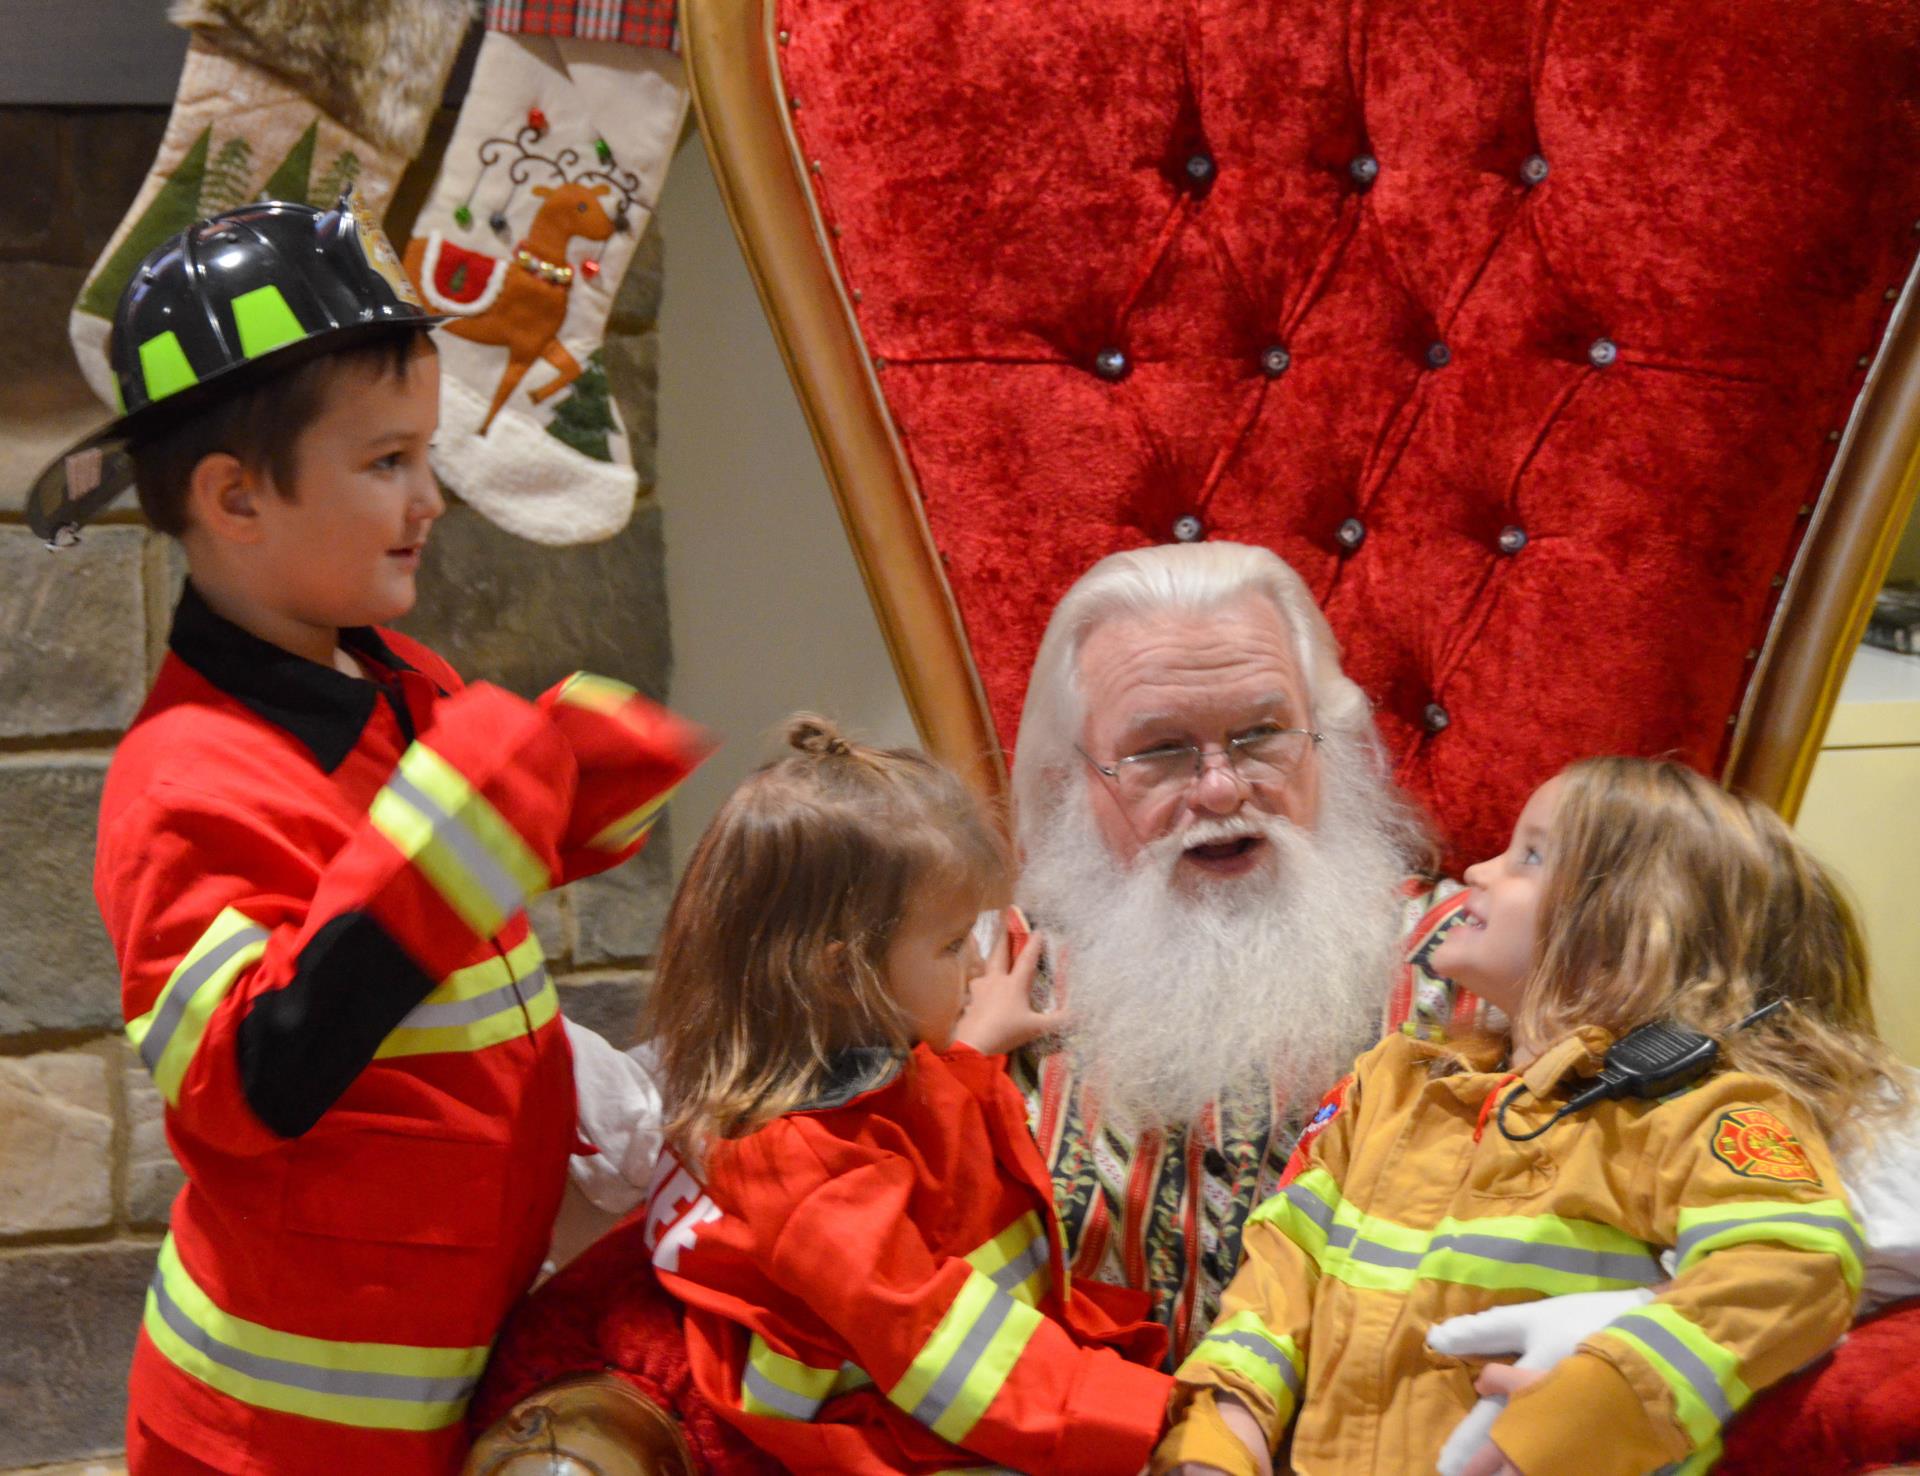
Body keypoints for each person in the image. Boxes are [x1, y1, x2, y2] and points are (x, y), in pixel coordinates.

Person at [60, 196, 706, 1475]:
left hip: (437, 1378)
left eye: (426, 453)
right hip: (276, 1439)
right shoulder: (179, 782)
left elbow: (453, 900)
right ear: (236, 499)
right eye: (386, 463)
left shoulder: (395, 680)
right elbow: (255, 1077)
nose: (432, 499)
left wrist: (575, 790)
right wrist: (466, 813)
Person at [1152, 758, 1910, 1476]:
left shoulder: (1698, 1109)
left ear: (1635, 933)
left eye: (1532, 857)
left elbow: (1795, 1263)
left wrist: (1592, 1410)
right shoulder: (1389, 1086)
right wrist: (1220, 1426)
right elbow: (1282, 1276)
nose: (1479, 870)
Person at [639, 717, 1174, 1475]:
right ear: (840, 973)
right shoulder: (805, 1173)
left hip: (979, 1388)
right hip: (899, 1426)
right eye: (952, 945)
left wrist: (971, 1042)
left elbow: (896, 1110)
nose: (971, 967)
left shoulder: (842, 1062)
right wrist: (1134, 1426)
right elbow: (935, 1344)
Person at [998, 542, 1455, 1362]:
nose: (1219, 789)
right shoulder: (984, 984)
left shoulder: (1484, 962)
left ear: (1326, 741)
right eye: (1160, 750)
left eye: (1259, 736)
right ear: (1074, 778)